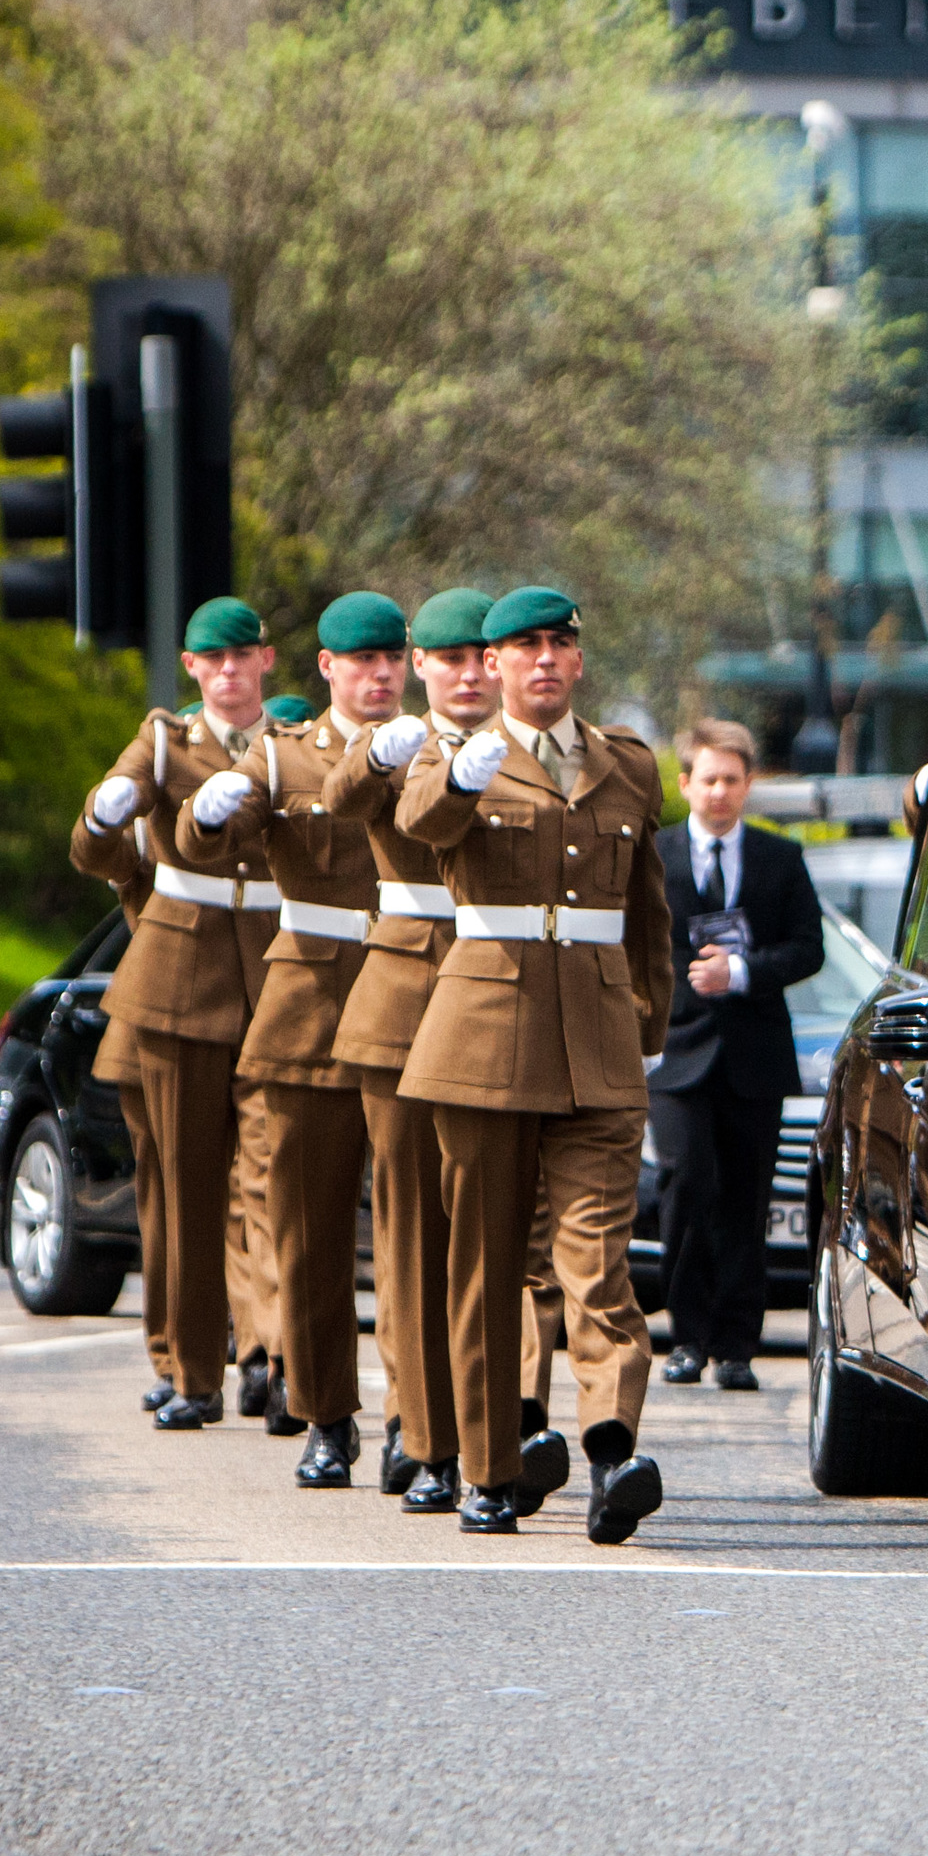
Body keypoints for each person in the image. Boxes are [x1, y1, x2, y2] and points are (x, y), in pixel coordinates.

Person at [397, 587, 674, 1542]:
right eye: (525, 647)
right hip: (483, 1041)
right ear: (496, 663)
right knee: (490, 1262)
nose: (545, 659)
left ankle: (610, 1450)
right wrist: (466, 778)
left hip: (597, 1044)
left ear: (580, 662)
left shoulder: (628, 767)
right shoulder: (452, 757)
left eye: (561, 644)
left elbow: (649, 911)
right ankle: (487, 1464)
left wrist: (652, 1023)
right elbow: (421, 824)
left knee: (595, 1260)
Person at [326, 587, 544, 1517]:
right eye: (445, 660)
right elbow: (341, 800)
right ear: (420, 665)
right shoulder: (406, 745)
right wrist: (377, 747)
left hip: (509, 1000)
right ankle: (428, 1435)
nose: (463, 674)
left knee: (505, 1230)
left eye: (476, 659)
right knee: (417, 1231)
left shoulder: (534, 754)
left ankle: (509, 1418)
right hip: (410, 997)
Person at [191, 592, 407, 1490]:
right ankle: (326, 1414)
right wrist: (206, 813)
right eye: (361, 661)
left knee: (410, 1233)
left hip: (408, 1007)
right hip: (312, 1009)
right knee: (309, 1228)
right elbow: (218, 839)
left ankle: (415, 1416)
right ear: (325, 668)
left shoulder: (438, 751)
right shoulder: (281, 755)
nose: (379, 673)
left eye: (391, 658)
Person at [68, 597, 287, 1430]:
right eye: (211, 658)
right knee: (187, 1191)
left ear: (266, 661)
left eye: (242, 656)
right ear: (191, 667)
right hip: (181, 985)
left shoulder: (292, 748)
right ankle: (193, 1371)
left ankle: (272, 1352)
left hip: (276, 975)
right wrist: (105, 811)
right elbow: (93, 847)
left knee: (274, 1184)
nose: (229, 671)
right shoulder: (165, 739)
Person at [653, 719, 826, 1391]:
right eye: (708, 779)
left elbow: (808, 948)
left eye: (732, 779)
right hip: (676, 1050)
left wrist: (745, 970)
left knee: (746, 1200)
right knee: (685, 1184)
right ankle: (686, 1336)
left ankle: (735, 1347)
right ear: (686, 783)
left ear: (748, 785)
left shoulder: (780, 859)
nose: (719, 791)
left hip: (753, 1055)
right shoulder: (656, 855)